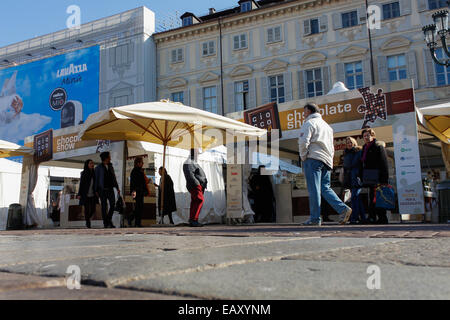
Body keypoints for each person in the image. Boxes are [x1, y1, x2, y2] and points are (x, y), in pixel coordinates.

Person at [298, 103, 352, 226]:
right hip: (326, 160)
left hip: (313, 158)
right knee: (325, 188)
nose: (303, 114)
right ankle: (343, 209)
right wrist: (330, 161)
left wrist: (303, 157)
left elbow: (303, 142)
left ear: (309, 111)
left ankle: (315, 218)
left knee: (314, 189)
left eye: (304, 112)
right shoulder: (327, 127)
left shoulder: (309, 123)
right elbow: (331, 147)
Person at [361, 128, 389, 224]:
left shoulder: (378, 146)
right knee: (372, 196)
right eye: (364, 136)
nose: (366, 137)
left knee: (378, 197)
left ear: (373, 136)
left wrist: (384, 178)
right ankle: (372, 217)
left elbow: (384, 163)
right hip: (369, 176)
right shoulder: (365, 147)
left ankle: (382, 217)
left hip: (378, 176)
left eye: (368, 135)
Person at [343, 137, 367, 224]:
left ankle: (354, 218)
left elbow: (360, 165)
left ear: (354, 143)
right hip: (350, 178)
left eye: (350, 142)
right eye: (347, 143)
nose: (349, 144)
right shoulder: (346, 153)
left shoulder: (358, 152)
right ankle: (363, 218)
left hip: (357, 177)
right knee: (357, 199)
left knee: (354, 197)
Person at [94, 152, 120, 228]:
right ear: (105, 158)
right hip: (102, 190)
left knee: (112, 205)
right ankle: (106, 223)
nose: (110, 158)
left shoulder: (110, 166)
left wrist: (117, 188)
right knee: (104, 207)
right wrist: (96, 190)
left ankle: (108, 220)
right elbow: (96, 180)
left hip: (110, 189)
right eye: (109, 157)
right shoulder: (98, 168)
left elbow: (113, 177)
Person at [183, 148, 207, 227]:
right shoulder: (189, 162)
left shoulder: (192, 162)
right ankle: (194, 220)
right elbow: (190, 175)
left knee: (195, 202)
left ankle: (193, 219)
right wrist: (198, 185)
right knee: (199, 201)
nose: (198, 156)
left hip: (196, 185)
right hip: (195, 185)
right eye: (197, 154)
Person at [77, 159, 98, 228]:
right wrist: (79, 194)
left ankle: (87, 219)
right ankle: (88, 223)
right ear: (87, 165)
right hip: (85, 194)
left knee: (93, 209)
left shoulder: (94, 173)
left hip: (93, 194)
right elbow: (81, 184)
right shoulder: (84, 173)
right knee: (86, 209)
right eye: (90, 163)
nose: (92, 164)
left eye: (92, 163)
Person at [130, 157, 147, 227]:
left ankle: (136, 221)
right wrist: (133, 194)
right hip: (137, 191)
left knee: (140, 207)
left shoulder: (140, 171)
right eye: (142, 162)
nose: (143, 164)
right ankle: (136, 222)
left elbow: (143, 182)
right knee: (138, 207)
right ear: (138, 163)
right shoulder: (134, 171)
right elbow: (133, 183)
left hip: (140, 191)